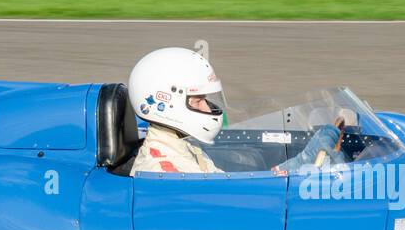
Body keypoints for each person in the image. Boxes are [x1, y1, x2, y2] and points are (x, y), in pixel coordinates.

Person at [127, 46, 345, 176]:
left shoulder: (179, 148)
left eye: (205, 100)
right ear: (164, 103)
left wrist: (301, 163)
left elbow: (230, 187)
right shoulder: (165, 169)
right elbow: (228, 204)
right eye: (196, 102)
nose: (206, 108)